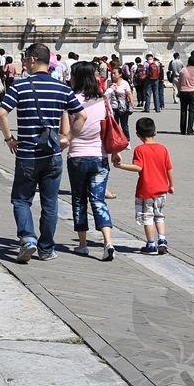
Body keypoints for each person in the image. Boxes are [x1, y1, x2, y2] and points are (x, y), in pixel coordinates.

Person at [0, 43, 84, 263]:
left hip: (27, 154)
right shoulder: (63, 88)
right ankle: (46, 248)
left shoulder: (19, 87)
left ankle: (28, 239)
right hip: (52, 155)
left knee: (21, 200)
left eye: (26, 59)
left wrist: (9, 139)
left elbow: (1, 114)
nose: (24, 63)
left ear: (34, 60)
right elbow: (81, 116)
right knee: (50, 203)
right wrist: (69, 139)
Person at [65, 61, 116, 260]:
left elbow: (65, 131)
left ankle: (83, 244)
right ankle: (108, 242)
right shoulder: (103, 99)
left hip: (77, 156)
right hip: (99, 156)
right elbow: (108, 127)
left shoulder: (71, 100)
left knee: (79, 199)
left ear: (78, 77)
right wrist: (114, 152)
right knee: (98, 199)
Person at [110, 115, 174, 254]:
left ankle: (151, 244)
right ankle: (162, 239)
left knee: (147, 217)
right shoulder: (163, 149)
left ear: (138, 134)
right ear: (155, 132)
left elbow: (138, 167)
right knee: (160, 215)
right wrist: (171, 185)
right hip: (162, 189)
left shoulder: (140, 150)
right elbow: (169, 168)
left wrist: (121, 166)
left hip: (146, 190)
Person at [105, 67, 134, 143]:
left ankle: (127, 140)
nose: (113, 75)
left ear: (120, 74)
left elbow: (129, 93)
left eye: (115, 73)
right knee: (114, 125)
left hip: (123, 107)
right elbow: (106, 94)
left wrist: (131, 102)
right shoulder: (109, 82)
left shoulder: (125, 83)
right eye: (112, 73)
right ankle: (116, 140)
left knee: (124, 126)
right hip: (112, 107)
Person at [176, 54, 194, 135]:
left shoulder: (183, 70)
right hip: (193, 92)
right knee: (192, 111)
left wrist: (179, 91)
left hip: (183, 91)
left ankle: (182, 129)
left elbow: (179, 82)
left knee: (183, 111)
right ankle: (189, 129)